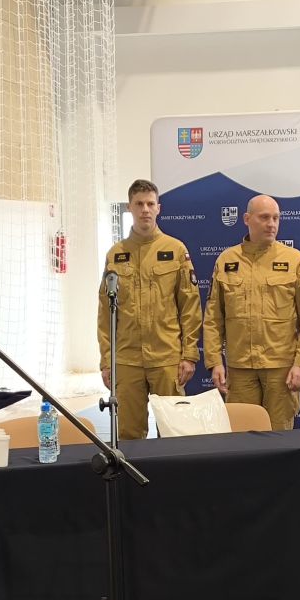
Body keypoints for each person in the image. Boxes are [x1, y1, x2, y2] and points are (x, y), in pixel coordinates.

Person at [204, 194, 300, 430]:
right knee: (242, 435)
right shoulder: (227, 261)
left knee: (280, 436)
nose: (271, 224)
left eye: (276, 218)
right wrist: (214, 361)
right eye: (264, 217)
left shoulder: (294, 260)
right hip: (240, 369)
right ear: (247, 219)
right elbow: (213, 317)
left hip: (281, 368)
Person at [98, 179, 202, 439]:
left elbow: (190, 306)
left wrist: (189, 354)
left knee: (173, 431)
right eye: (139, 204)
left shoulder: (175, 250)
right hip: (127, 360)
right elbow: (105, 313)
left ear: (158, 208)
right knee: (129, 435)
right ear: (130, 208)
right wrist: (107, 361)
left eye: (150, 204)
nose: (145, 209)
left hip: (166, 357)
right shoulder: (116, 254)